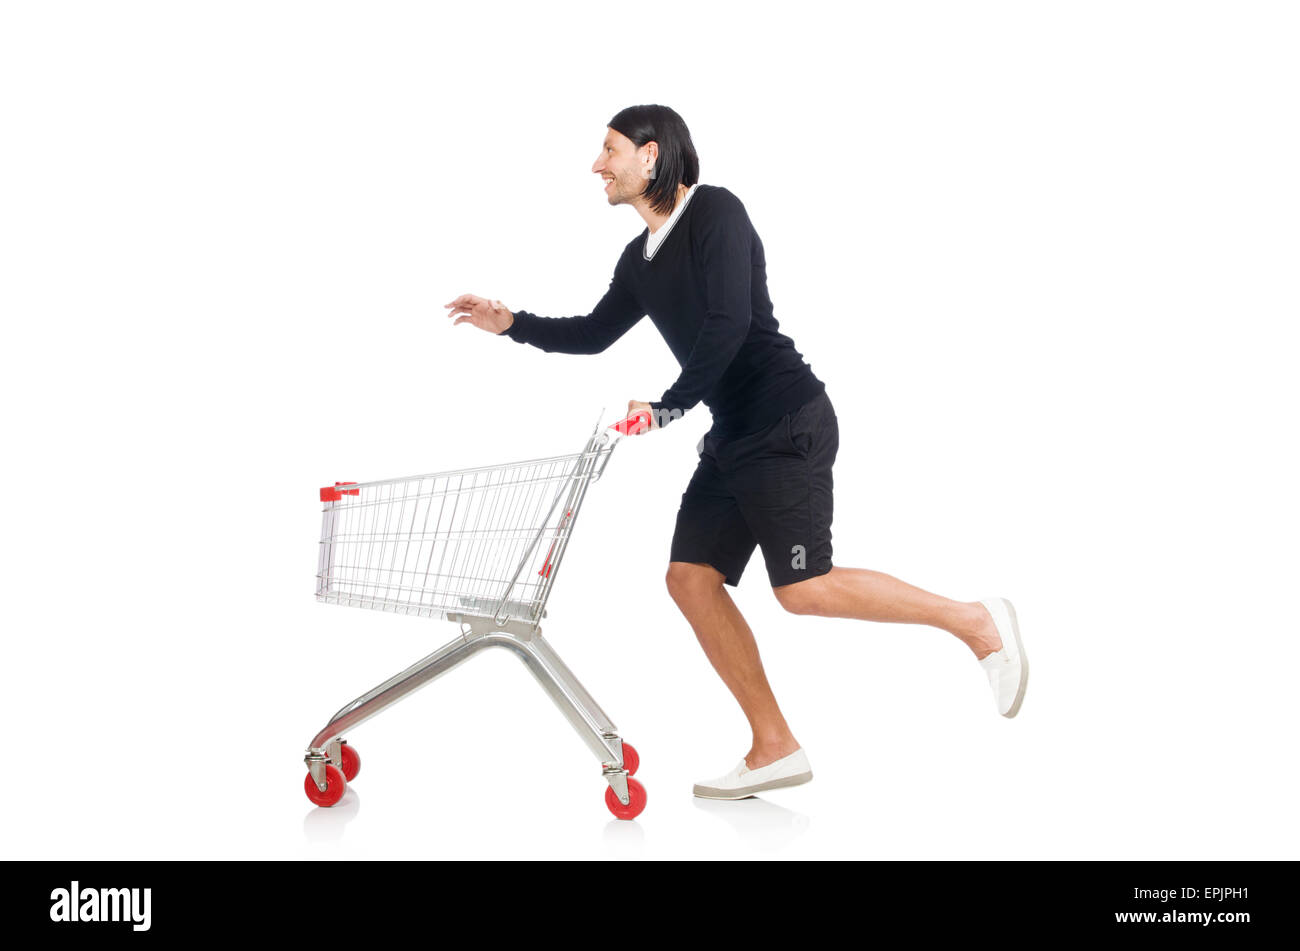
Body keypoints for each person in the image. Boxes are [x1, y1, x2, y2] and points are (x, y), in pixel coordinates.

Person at [445, 104, 1028, 800]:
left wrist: (665, 408)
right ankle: (773, 744)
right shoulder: (639, 260)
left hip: (783, 420)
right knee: (690, 577)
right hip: (731, 436)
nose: (597, 166)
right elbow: (596, 332)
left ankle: (977, 621)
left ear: (651, 154)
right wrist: (512, 325)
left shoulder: (716, 214)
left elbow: (729, 326)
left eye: (608, 150)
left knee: (804, 589)